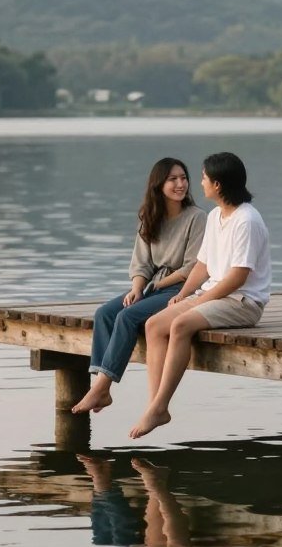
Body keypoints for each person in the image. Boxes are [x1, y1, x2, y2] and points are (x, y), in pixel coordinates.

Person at [129, 152, 270, 439]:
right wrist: (183, 295)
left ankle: (160, 405)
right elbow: (203, 265)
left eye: (204, 177)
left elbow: (237, 278)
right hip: (214, 296)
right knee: (154, 324)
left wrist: (199, 302)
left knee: (180, 325)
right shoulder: (217, 215)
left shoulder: (247, 220)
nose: (199, 182)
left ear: (217, 184)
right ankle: (156, 406)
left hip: (243, 302)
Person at [71, 157, 206, 414]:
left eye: (184, 178)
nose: (181, 184)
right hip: (153, 286)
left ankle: (100, 387)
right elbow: (141, 262)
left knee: (128, 317)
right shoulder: (149, 216)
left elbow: (194, 266)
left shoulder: (197, 217)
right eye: (173, 179)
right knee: (105, 313)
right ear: (158, 185)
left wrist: (159, 284)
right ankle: (102, 388)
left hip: (182, 288)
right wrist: (137, 288)